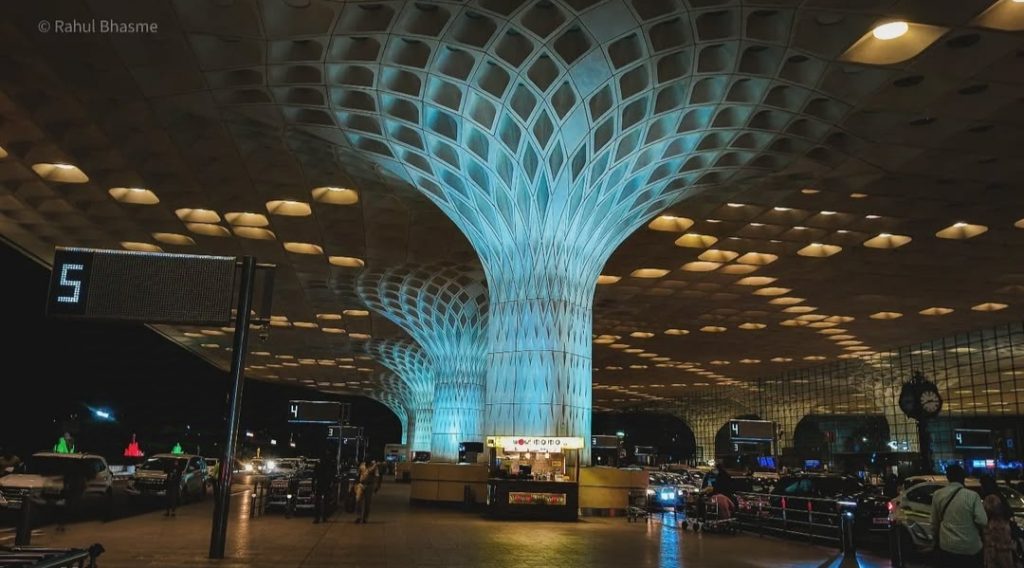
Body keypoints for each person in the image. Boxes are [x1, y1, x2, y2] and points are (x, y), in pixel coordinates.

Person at [930, 464, 986, 567]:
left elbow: (934, 523)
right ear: (963, 477)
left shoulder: (938, 495)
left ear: (948, 477)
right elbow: (982, 521)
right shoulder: (973, 496)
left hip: (947, 547)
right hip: (970, 548)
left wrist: (935, 540)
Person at [980, 475, 1015, 568]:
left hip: (993, 538)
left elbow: (984, 516)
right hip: (1004, 537)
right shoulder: (1000, 496)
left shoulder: (990, 499)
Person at [313, 449, 336, 524]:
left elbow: (314, 474)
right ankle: (323, 517)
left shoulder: (320, 462)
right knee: (324, 501)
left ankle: (319, 518)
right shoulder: (329, 462)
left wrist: (313, 484)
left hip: (322, 483)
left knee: (319, 501)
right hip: (325, 483)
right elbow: (332, 474)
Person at [355, 459, 379, 524]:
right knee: (358, 500)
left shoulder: (374, 466)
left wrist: (376, 486)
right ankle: (358, 516)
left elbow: (377, 476)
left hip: (369, 486)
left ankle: (365, 518)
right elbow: (358, 474)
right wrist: (356, 484)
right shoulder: (362, 465)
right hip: (361, 484)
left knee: (367, 502)